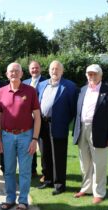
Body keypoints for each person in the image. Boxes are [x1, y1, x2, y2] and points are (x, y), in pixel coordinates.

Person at [0, 63, 41, 210]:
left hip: (26, 136)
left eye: (17, 71)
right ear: (7, 74)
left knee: (24, 171)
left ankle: (23, 201)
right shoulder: (1, 91)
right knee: (8, 170)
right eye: (11, 71)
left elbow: (37, 116)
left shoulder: (30, 91)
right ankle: (9, 199)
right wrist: (0, 139)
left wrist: (35, 139)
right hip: (7, 136)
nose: (14, 73)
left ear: (22, 74)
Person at [73, 64, 108, 204]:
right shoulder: (82, 90)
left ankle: (99, 192)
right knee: (85, 163)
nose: (91, 76)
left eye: (94, 74)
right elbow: (78, 112)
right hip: (82, 129)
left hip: (100, 131)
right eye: (89, 74)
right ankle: (86, 188)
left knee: (99, 163)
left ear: (100, 75)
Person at [37, 60, 77, 195]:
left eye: (57, 69)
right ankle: (47, 180)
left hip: (58, 124)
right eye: (52, 69)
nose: (54, 71)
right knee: (45, 153)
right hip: (42, 124)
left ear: (62, 71)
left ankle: (59, 185)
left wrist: (65, 121)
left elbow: (73, 109)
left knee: (58, 156)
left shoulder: (70, 86)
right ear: (49, 71)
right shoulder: (42, 85)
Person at [23, 61, 47, 179]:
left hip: (41, 119)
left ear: (40, 69)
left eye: (37, 68)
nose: (34, 70)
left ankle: (45, 172)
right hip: (27, 120)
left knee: (42, 147)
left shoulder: (46, 82)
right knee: (29, 145)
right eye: (32, 68)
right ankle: (32, 171)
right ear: (29, 70)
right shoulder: (24, 83)